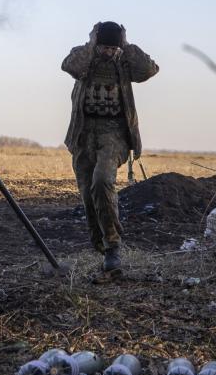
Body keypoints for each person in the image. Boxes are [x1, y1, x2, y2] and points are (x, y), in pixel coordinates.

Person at [62, 21, 159, 275]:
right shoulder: (85, 59)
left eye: (112, 47)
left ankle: (113, 246)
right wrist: (92, 44)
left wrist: (126, 46)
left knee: (102, 181)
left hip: (114, 133)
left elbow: (149, 70)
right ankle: (102, 246)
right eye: (104, 47)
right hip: (84, 134)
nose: (108, 52)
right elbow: (69, 65)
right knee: (87, 193)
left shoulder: (124, 62)